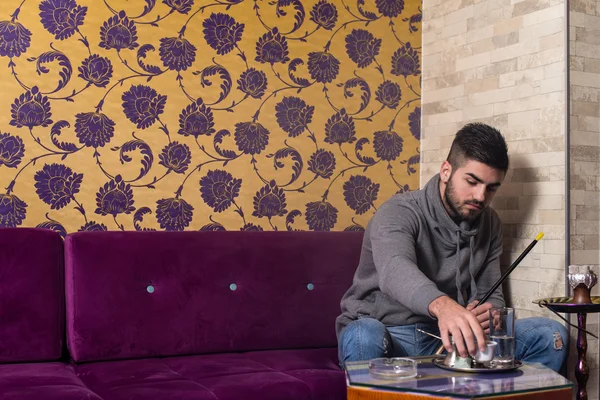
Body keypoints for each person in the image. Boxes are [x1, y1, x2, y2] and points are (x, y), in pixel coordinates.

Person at [336, 123, 568, 373]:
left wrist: (491, 314)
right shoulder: (398, 212)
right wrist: (444, 306)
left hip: (455, 339)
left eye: (491, 188)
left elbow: (493, 291)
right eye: (472, 181)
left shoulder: (489, 223)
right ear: (446, 171)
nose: (480, 196)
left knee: (550, 334)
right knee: (365, 335)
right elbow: (394, 269)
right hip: (390, 334)